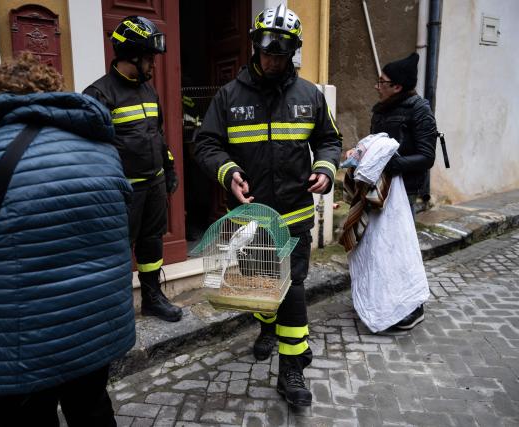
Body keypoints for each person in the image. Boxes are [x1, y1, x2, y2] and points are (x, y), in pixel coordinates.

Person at [0, 52, 133, 426]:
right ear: (52, 93)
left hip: (18, 347)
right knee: (92, 410)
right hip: (95, 332)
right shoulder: (104, 152)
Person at [194, 5, 342, 407]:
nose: (273, 60)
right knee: (262, 287)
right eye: (267, 52)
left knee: (292, 289)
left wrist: (326, 169)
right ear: (255, 48)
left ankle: (292, 369)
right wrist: (227, 172)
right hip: (251, 218)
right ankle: (266, 329)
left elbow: (330, 140)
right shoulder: (229, 96)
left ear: (292, 51)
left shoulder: (309, 95)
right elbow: (205, 144)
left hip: (294, 218)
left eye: (281, 53)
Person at [84, 16, 182, 322]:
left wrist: (168, 167)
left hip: (153, 185)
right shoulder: (98, 95)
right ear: (132, 56)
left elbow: (157, 133)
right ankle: (115, 308)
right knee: (116, 249)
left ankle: (152, 297)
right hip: (122, 191)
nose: (153, 65)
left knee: (152, 241)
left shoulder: (149, 91)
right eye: (149, 58)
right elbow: (90, 151)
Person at [371, 52, 437, 330]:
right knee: (383, 248)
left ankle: (414, 307)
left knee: (403, 250)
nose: (377, 85)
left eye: (382, 81)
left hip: (405, 191)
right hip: (381, 188)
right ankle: (389, 301)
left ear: (397, 86)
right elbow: (376, 143)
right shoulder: (381, 109)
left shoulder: (419, 110)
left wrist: (393, 164)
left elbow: (426, 156)